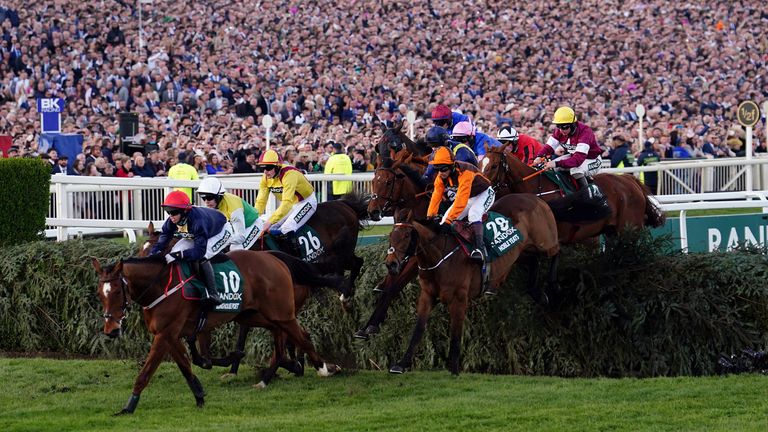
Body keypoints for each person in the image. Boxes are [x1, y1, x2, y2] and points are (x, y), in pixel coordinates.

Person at [149, 191, 234, 307]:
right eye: (168, 212)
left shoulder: (198, 221)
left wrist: (178, 255)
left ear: (185, 211)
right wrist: (152, 254)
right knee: (174, 252)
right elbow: (162, 240)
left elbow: (199, 252)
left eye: (173, 212)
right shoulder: (171, 221)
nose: (171, 216)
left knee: (202, 257)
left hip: (221, 231)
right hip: (197, 233)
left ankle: (213, 294)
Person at [426, 147, 495, 272]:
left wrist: (449, 221)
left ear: (452, 165)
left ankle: (479, 248)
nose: (441, 172)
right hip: (469, 196)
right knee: (443, 221)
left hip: (484, 193)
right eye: (437, 169)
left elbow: (461, 201)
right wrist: (430, 216)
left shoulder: (465, 172)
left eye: (443, 169)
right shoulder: (440, 177)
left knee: (474, 213)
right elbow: (436, 196)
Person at [254, 149, 317, 254]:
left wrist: (269, 221)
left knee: (287, 228)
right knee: (272, 227)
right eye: (262, 168)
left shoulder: (289, 174)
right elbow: (260, 201)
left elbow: (286, 202)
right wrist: (254, 219)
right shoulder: (265, 178)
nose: (265, 171)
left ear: (277, 166)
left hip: (306, 201)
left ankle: (296, 259)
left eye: (268, 168)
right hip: (293, 204)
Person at [533, 106, 603, 191]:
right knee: (550, 168)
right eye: (558, 126)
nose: (561, 130)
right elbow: (549, 147)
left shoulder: (585, 132)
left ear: (573, 124)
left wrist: (556, 163)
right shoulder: (559, 131)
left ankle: (587, 195)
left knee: (575, 171)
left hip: (592, 159)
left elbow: (577, 161)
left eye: (565, 127)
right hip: (575, 157)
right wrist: (539, 156)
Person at [197, 177, 263, 250]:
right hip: (235, 227)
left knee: (235, 248)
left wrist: (219, 239)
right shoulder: (211, 205)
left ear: (218, 196)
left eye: (209, 197)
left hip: (252, 225)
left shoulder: (234, 209)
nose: (206, 201)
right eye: (203, 197)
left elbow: (240, 237)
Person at [432, 104, 500, 160]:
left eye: (463, 140)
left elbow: (481, 165)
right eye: (436, 123)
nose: (439, 126)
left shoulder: (481, 140)